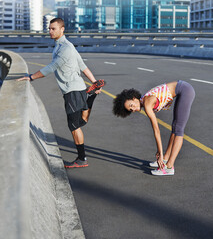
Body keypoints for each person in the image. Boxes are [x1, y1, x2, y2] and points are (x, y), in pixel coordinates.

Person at [17, 18, 106, 168]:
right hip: (78, 88)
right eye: (49, 28)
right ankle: (90, 97)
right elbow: (82, 66)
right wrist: (94, 82)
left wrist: (31, 77)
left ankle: (81, 159)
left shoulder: (65, 49)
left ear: (62, 29)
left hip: (71, 91)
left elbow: (51, 68)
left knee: (74, 126)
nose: (50, 31)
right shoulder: (66, 45)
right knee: (80, 121)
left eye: (53, 29)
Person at [113, 81, 195, 176]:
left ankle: (169, 167)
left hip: (185, 90)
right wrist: (161, 154)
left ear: (134, 98)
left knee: (179, 129)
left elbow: (156, 130)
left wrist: (159, 153)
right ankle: (165, 159)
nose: (134, 109)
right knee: (175, 127)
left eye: (132, 105)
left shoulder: (147, 104)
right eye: (131, 110)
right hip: (182, 89)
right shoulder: (144, 99)